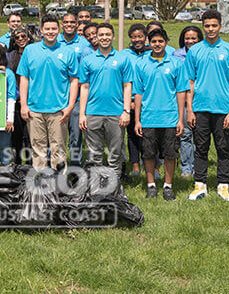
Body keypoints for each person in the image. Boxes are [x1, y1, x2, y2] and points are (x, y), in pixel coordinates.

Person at [185, 9, 229, 201]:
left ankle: (223, 185)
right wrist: (190, 110)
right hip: (200, 109)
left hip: (223, 109)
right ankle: (200, 185)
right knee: (200, 148)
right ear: (204, 27)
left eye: (214, 25)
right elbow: (190, 83)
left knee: (223, 148)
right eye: (207, 26)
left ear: (220, 26)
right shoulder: (194, 51)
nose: (211, 29)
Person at [17, 15, 79, 171]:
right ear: (41, 31)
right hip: (35, 110)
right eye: (47, 29)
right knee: (38, 151)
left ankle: (59, 186)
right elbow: (24, 78)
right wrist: (24, 105)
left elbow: (74, 81)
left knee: (58, 150)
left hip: (59, 110)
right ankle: (40, 186)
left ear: (58, 31)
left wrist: (70, 106)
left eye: (53, 29)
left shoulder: (68, 52)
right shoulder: (30, 50)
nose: (50, 32)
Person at [133, 28, 188, 200]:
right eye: (154, 41)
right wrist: (137, 120)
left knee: (170, 154)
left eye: (161, 41)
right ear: (149, 43)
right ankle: (151, 185)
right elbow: (138, 93)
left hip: (170, 118)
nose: (157, 44)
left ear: (166, 42)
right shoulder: (141, 64)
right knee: (148, 154)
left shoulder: (176, 63)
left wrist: (180, 119)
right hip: (148, 117)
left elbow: (181, 92)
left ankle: (168, 186)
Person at [78, 23, 133, 180]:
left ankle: (114, 189)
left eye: (108, 34)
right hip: (93, 112)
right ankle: (96, 187)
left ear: (113, 36)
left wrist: (126, 111)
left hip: (116, 113)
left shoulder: (123, 59)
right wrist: (82, 114)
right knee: (94, 155)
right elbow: (84, 87)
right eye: (101, 35)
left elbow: (127, 86)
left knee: (115, 155)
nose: (104, 38)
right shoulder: (88, 60)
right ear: (97, 37)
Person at [57, 13, 90, 167]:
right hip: (57, 96)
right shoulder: (55, 41)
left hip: (76, 98)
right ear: (61, 24)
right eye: (66, 22)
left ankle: (75, 166)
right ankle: (57, 166)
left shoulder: (84, 44)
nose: (69, 24)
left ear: (77, 24)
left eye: (72, 22)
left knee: (75, 136)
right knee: (56, 136)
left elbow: (85, 72)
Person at [173, 25, 203, 179]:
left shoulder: (203, 53)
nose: (190, 41)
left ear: (199, 39)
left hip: (200, 100)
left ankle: (199, 166)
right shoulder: (176, 55)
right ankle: (186, 167)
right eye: (187, 38)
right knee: (185, 135)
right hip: (183, 100)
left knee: (199, 136)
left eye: (193, 38)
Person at [121, 23, 150, 178]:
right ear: (130, 38)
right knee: (132, 134)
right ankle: (135, 165)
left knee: (150, 135)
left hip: (149, 101)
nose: (137, 39)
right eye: (134, 37)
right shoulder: (125, 55)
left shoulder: (152, 53)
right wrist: (129, 102)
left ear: (145, 37)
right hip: (131, 101)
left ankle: (152, 165)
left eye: (140, 36)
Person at [7, 27, 32, 165]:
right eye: (18, 37)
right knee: (16, 136)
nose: (21, 39)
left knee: (29, 136)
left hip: (31, 100)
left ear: (28, 37)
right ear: (14, 40)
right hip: (15, 99)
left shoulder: (34, 53)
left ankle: (29, 166)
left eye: (24, 36)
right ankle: (16, 164)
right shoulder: (10, 56)